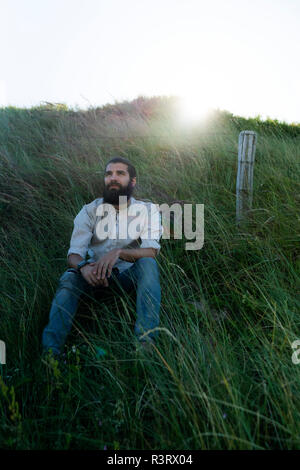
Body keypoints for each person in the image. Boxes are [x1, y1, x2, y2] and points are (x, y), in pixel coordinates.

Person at [42, 156, 163, 357]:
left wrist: (120, 253)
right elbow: (74, 254)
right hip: (93, 278)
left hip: (126, 279)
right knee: (70, 277)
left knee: (148, 264)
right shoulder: (90, 210)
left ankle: (145, 345)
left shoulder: (148, 210)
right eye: (109, 174)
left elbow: (151, 250)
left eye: (120, 173)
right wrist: (83, 267)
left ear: (132, 181)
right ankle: (51, 356)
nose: (113, 178)